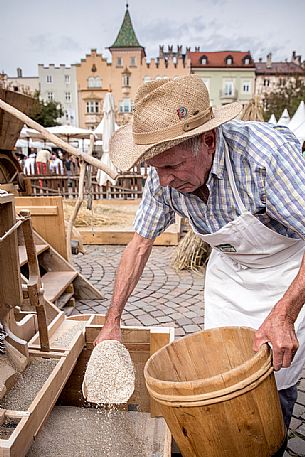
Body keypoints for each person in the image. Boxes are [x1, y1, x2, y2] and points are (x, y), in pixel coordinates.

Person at [95, 75, 305, 449]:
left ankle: (271, 439)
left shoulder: (265, 157)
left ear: (207, 142)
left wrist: (284, 313)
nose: (163, 181)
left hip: (287, 270)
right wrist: (112, 322)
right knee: (223, 367)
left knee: (275, 377)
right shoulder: (162, 178)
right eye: (156, 169)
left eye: (172, 167)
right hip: (231, 274)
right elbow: (139, 244)